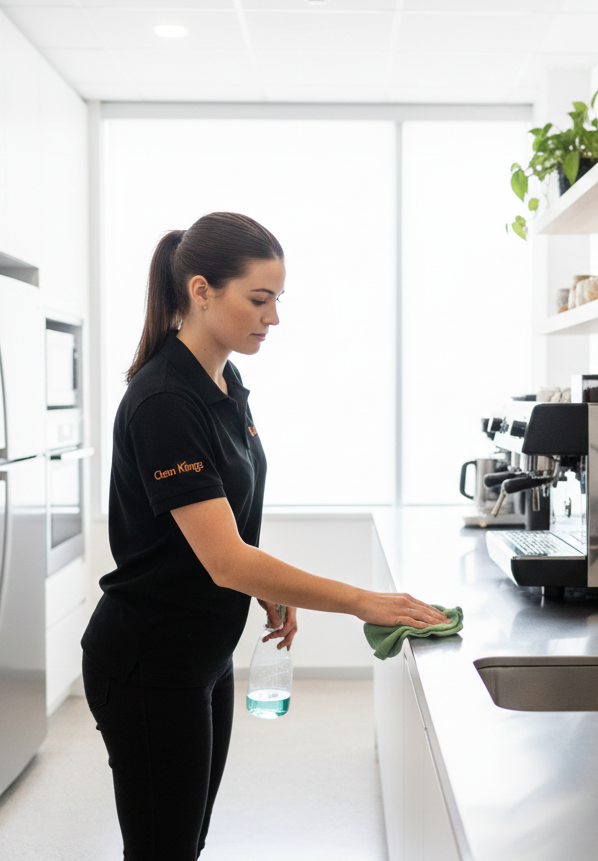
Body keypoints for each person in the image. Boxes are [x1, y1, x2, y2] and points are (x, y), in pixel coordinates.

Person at [80, 212, 446, 861]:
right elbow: (224, 559)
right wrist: (362, 601)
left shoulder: (224, 383)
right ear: (201, 290)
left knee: (186, 839)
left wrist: (264, 585)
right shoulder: (165, 401)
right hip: (150, 659)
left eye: (277, 298)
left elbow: (216, 527)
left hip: (205, 652)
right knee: (163, 848)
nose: (273, 317)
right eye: (258, 299)